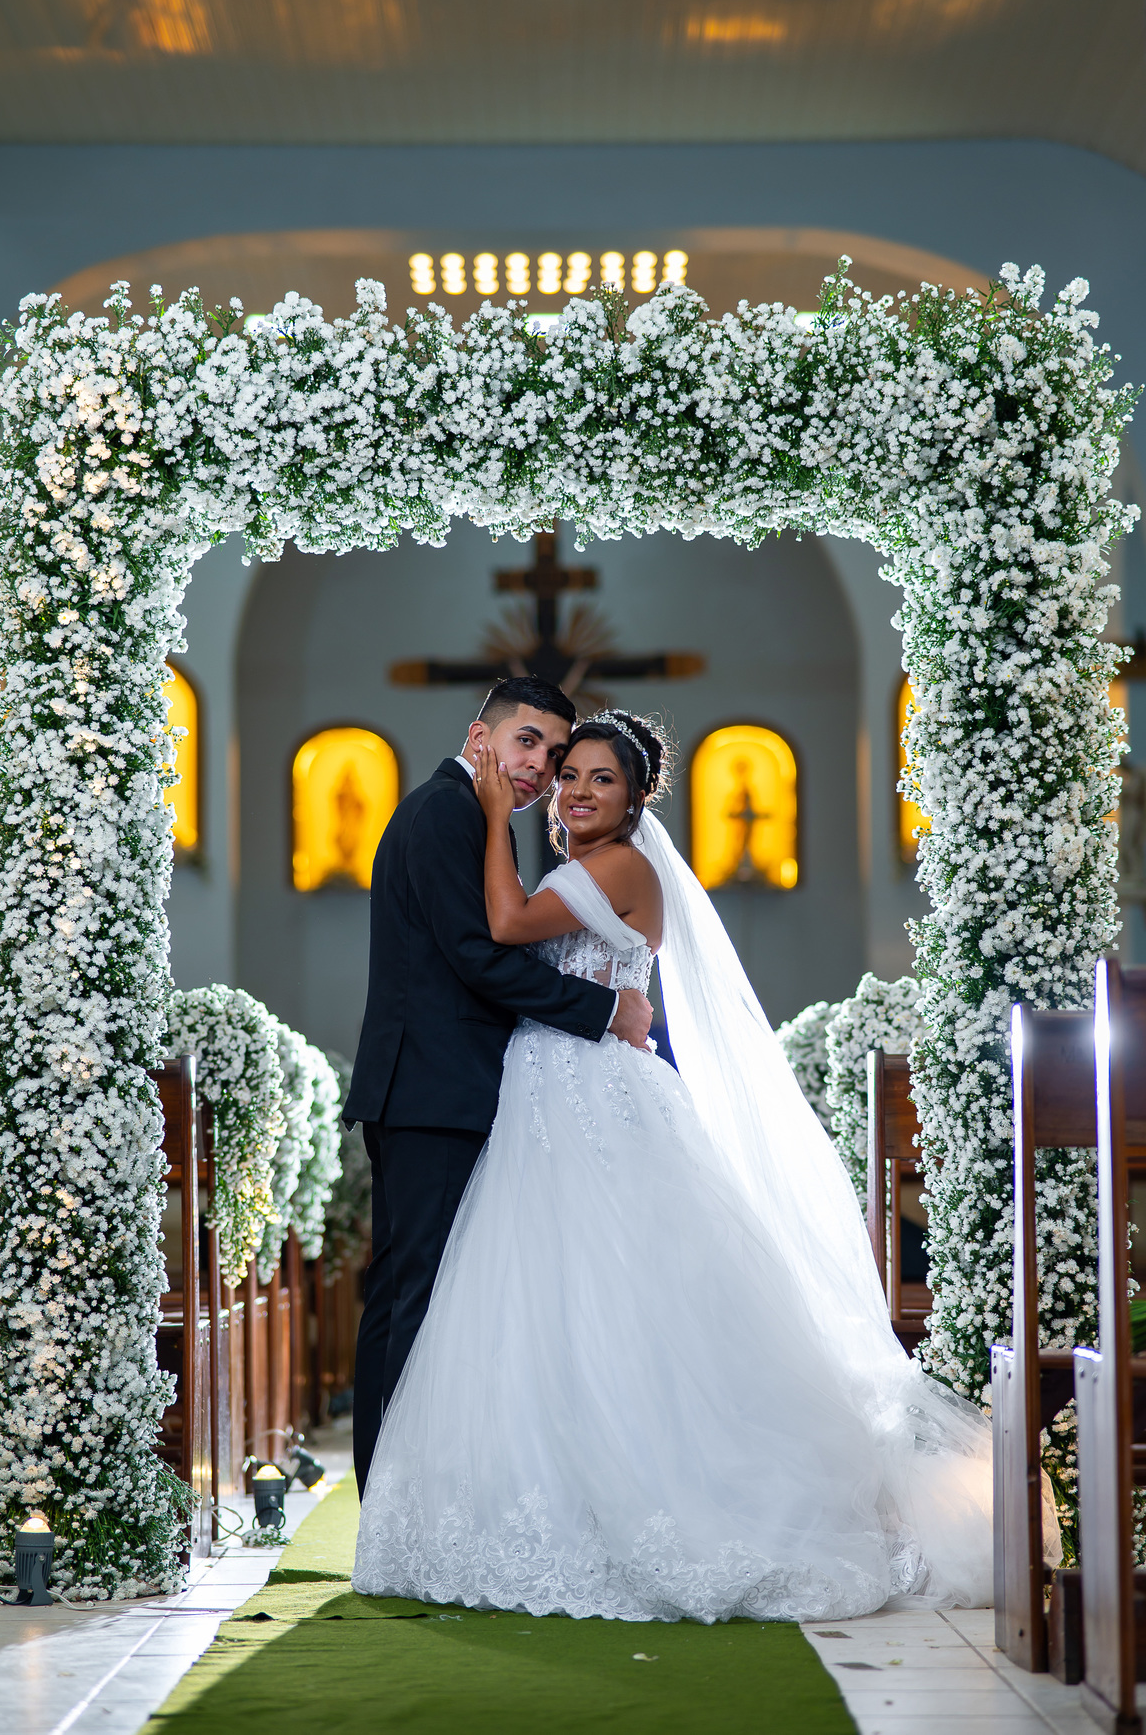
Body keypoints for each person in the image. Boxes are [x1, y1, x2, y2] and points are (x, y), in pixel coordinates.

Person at [352, 709, 1026, 1622]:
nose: (578, 788)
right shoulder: (576, 866)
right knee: (553, 1304)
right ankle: (563, 1488)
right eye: (569, 773)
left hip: (590, 1095)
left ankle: (662, 1491)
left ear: (636, 800)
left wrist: (484, 811)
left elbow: (503, 924)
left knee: (621, 1299)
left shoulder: (616, 866)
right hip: (549, 1095)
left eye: (599, 778)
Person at [342, 680, 654, 1495]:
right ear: (481, 734)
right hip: (432, 1091)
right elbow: (481, 956)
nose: (540, 768)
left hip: (440, 1087)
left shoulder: (469, 815)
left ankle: (401, 1492)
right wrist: (606, 1009)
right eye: (527, 743)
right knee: (417, 1296)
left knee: (421, 1292)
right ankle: (396, 1498)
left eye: (554, 755)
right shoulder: (450, 812)